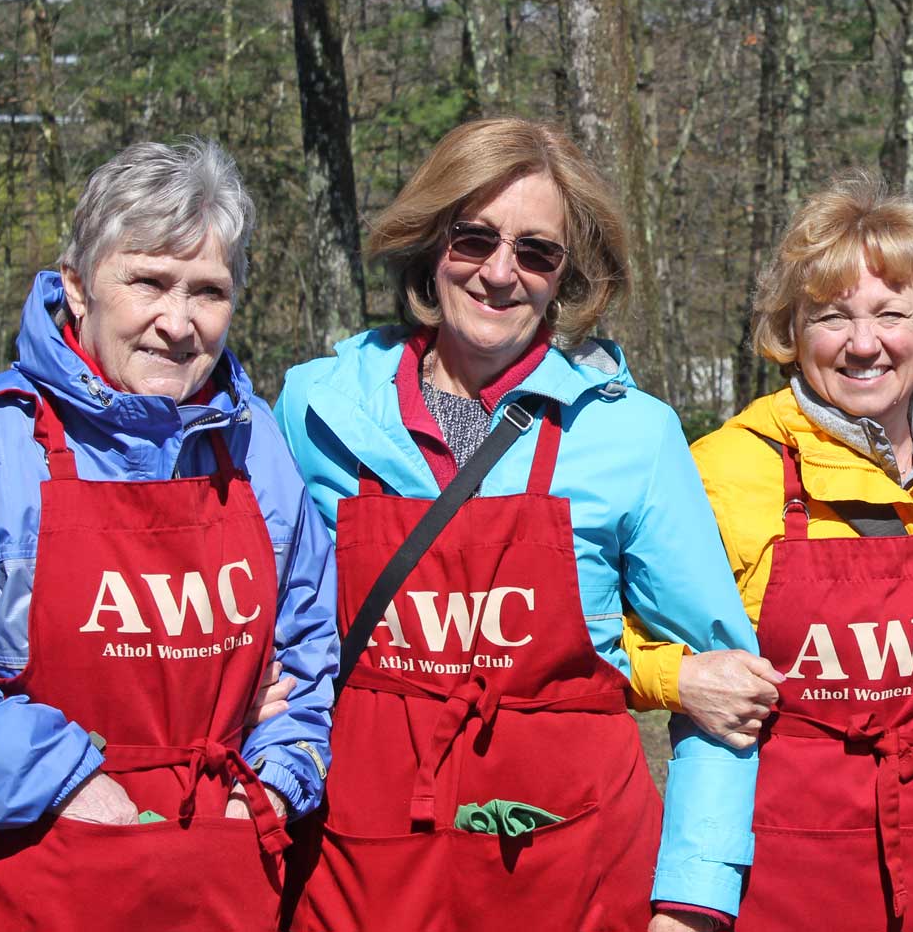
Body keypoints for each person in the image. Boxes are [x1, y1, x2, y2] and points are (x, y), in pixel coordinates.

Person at [272, 118, 761, 932]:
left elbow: (727, 687)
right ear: (432, 243)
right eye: (474, 239)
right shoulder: (315, 410)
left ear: (566, 277)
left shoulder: (633, 437)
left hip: (574, 881)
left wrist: (693, 900)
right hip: (359, 882)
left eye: (537, 252)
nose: (501, 274)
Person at [675, 170, 913, 931]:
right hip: (790, 864)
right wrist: (675, 677)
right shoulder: (727, 468)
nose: (864, 343)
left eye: (891, 313)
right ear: (793, 330)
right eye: (833, 317)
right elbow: (605, 629)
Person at [0, 140, 338, 931]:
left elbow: (313, 652)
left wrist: (276, 782)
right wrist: (67, 781)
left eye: (208, 291)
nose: (177, 323)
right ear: (77, 288)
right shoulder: (1, 448)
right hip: (38, 864)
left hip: (225, 875)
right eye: (148, 281)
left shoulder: (257, 449)